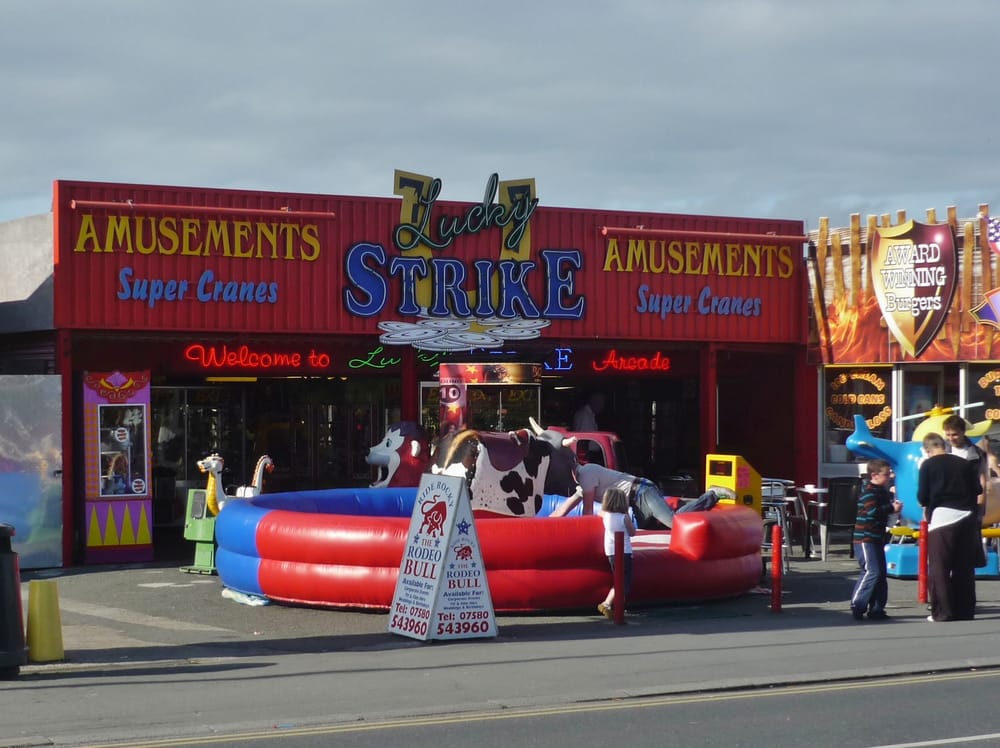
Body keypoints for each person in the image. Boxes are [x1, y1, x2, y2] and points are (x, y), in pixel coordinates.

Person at [917, 432, 981, 622]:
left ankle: (943, 612)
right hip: (968, 517)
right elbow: (977, 489)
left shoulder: (928, 465)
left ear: (927, 450)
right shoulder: (964, 463)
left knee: (940, 567)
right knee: (964, 567)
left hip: (943, 518)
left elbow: (923, 495)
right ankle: (965, 610)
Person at [550, 462, 720, 529]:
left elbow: (587, 512)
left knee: (673, 522)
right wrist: (542, 524)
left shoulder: (586, 473)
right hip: (635, 501)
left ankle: (711, 495)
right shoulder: (583, 483)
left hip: (642, 491)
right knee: (650, 527)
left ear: (571, 472)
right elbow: (565, 508)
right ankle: (698, 510)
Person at [850, 459, 902, 621]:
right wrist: (891, 508)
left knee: (880, 572)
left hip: (877, 537)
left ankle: (877, 608)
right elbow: (873, 511)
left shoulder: (881, 491)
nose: (889, 477)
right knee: (872, 570)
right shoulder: (869, 490)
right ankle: (857, 603)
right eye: (886, 474)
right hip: (865, 538)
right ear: (874, 475)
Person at [597, 487, 635, 620]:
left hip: (611, 552)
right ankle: (607, 603)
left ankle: (618, 607)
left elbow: (600, 513)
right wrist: (627, 514)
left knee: (618, 578)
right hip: (624, 551)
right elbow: (632, 532)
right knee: (623, 582)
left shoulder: (605, 515)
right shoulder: (624, 517)